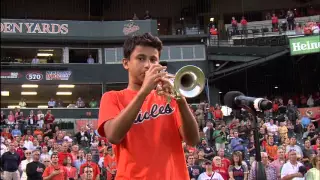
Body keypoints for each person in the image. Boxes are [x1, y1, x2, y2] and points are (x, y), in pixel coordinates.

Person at [97, 32, 199, 179]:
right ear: (126, 63)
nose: (148, 65)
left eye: (153, 59)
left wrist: (181, 100)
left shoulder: (169, 97)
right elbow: (114, 136)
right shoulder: (112, 97)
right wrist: (144, 92)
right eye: (141, 58)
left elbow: (193, 140)